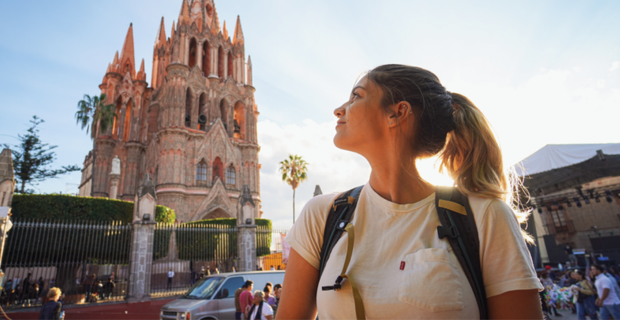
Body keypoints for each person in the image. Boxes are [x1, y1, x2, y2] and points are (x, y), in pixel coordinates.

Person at [278, 65, 544, 319]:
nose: (339, 110)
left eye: (356, 96)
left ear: (397, 113)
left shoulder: (483, 216)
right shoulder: (323, 215)